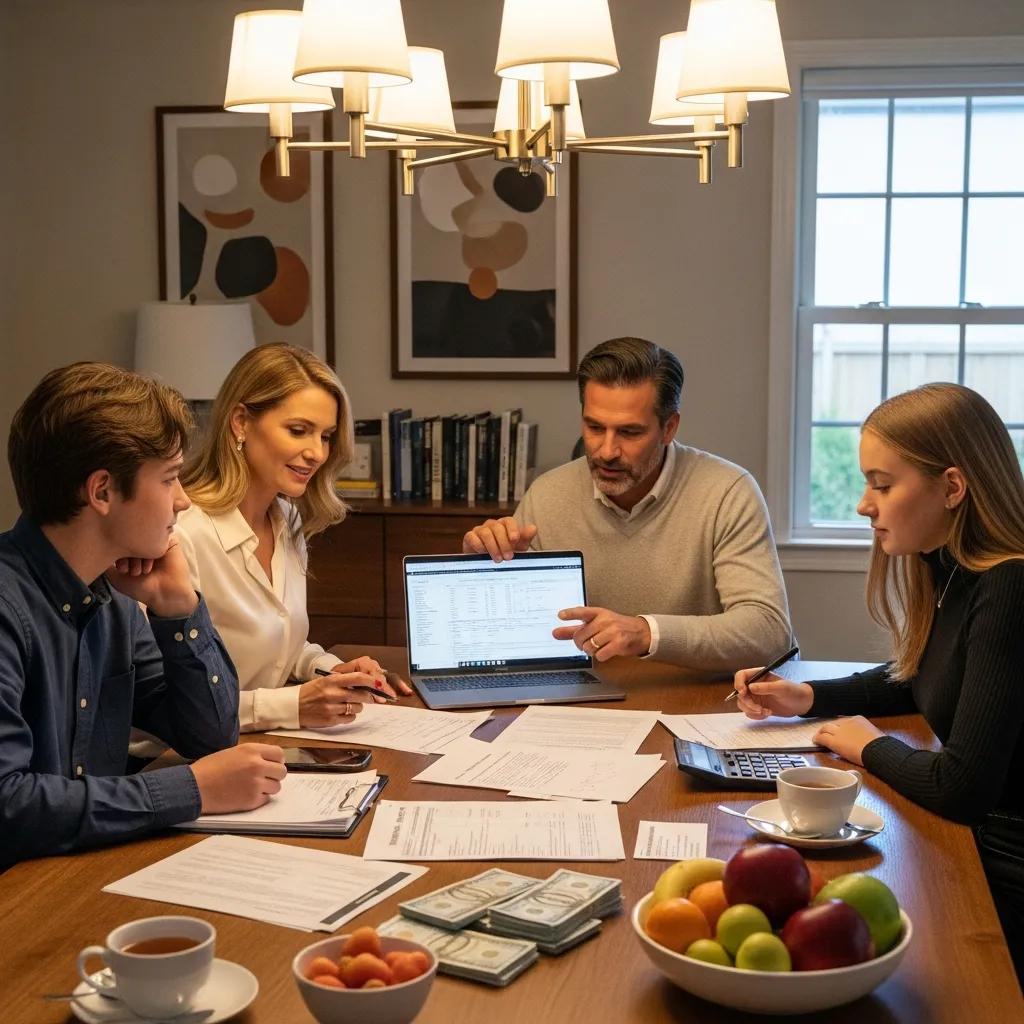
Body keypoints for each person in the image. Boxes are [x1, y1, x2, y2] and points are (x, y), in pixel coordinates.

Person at [732, 382, 1024, 978]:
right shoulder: (952, 569)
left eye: (882, 484)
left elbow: (962, 786)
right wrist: (808, 696)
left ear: (952, 487)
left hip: (1005, 866)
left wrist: (867, 745)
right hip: (977, 841)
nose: (865, 504)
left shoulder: (1010, 588)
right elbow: (920, 679)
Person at [0, 363, 287, 869]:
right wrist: (189, 790)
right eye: (171, 478)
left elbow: (210, 737)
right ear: (103, 492)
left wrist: (180, 608)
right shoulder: (8, 610)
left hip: (84, 872)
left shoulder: (112, 597)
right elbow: (9, 806)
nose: (183, 500)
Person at [463, 336, 792, 671]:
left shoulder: (728, 492)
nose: (606, 451)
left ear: (669, 428)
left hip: (697, 698)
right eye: (594, 427)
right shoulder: (547, 494)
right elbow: (508, 636)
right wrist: (482, 568)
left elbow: (768, 632)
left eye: (630, 432)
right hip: (590, 700)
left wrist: (646, 633)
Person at [174, 343, 410, 734]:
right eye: (298, 431)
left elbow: (280, 650)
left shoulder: (286, 518)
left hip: (264, 746)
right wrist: (295, 705)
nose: (316, 452)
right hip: (182, 759)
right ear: (240, 422)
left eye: (327, 436)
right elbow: (164, 704)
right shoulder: (183, 533)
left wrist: (334, 671)